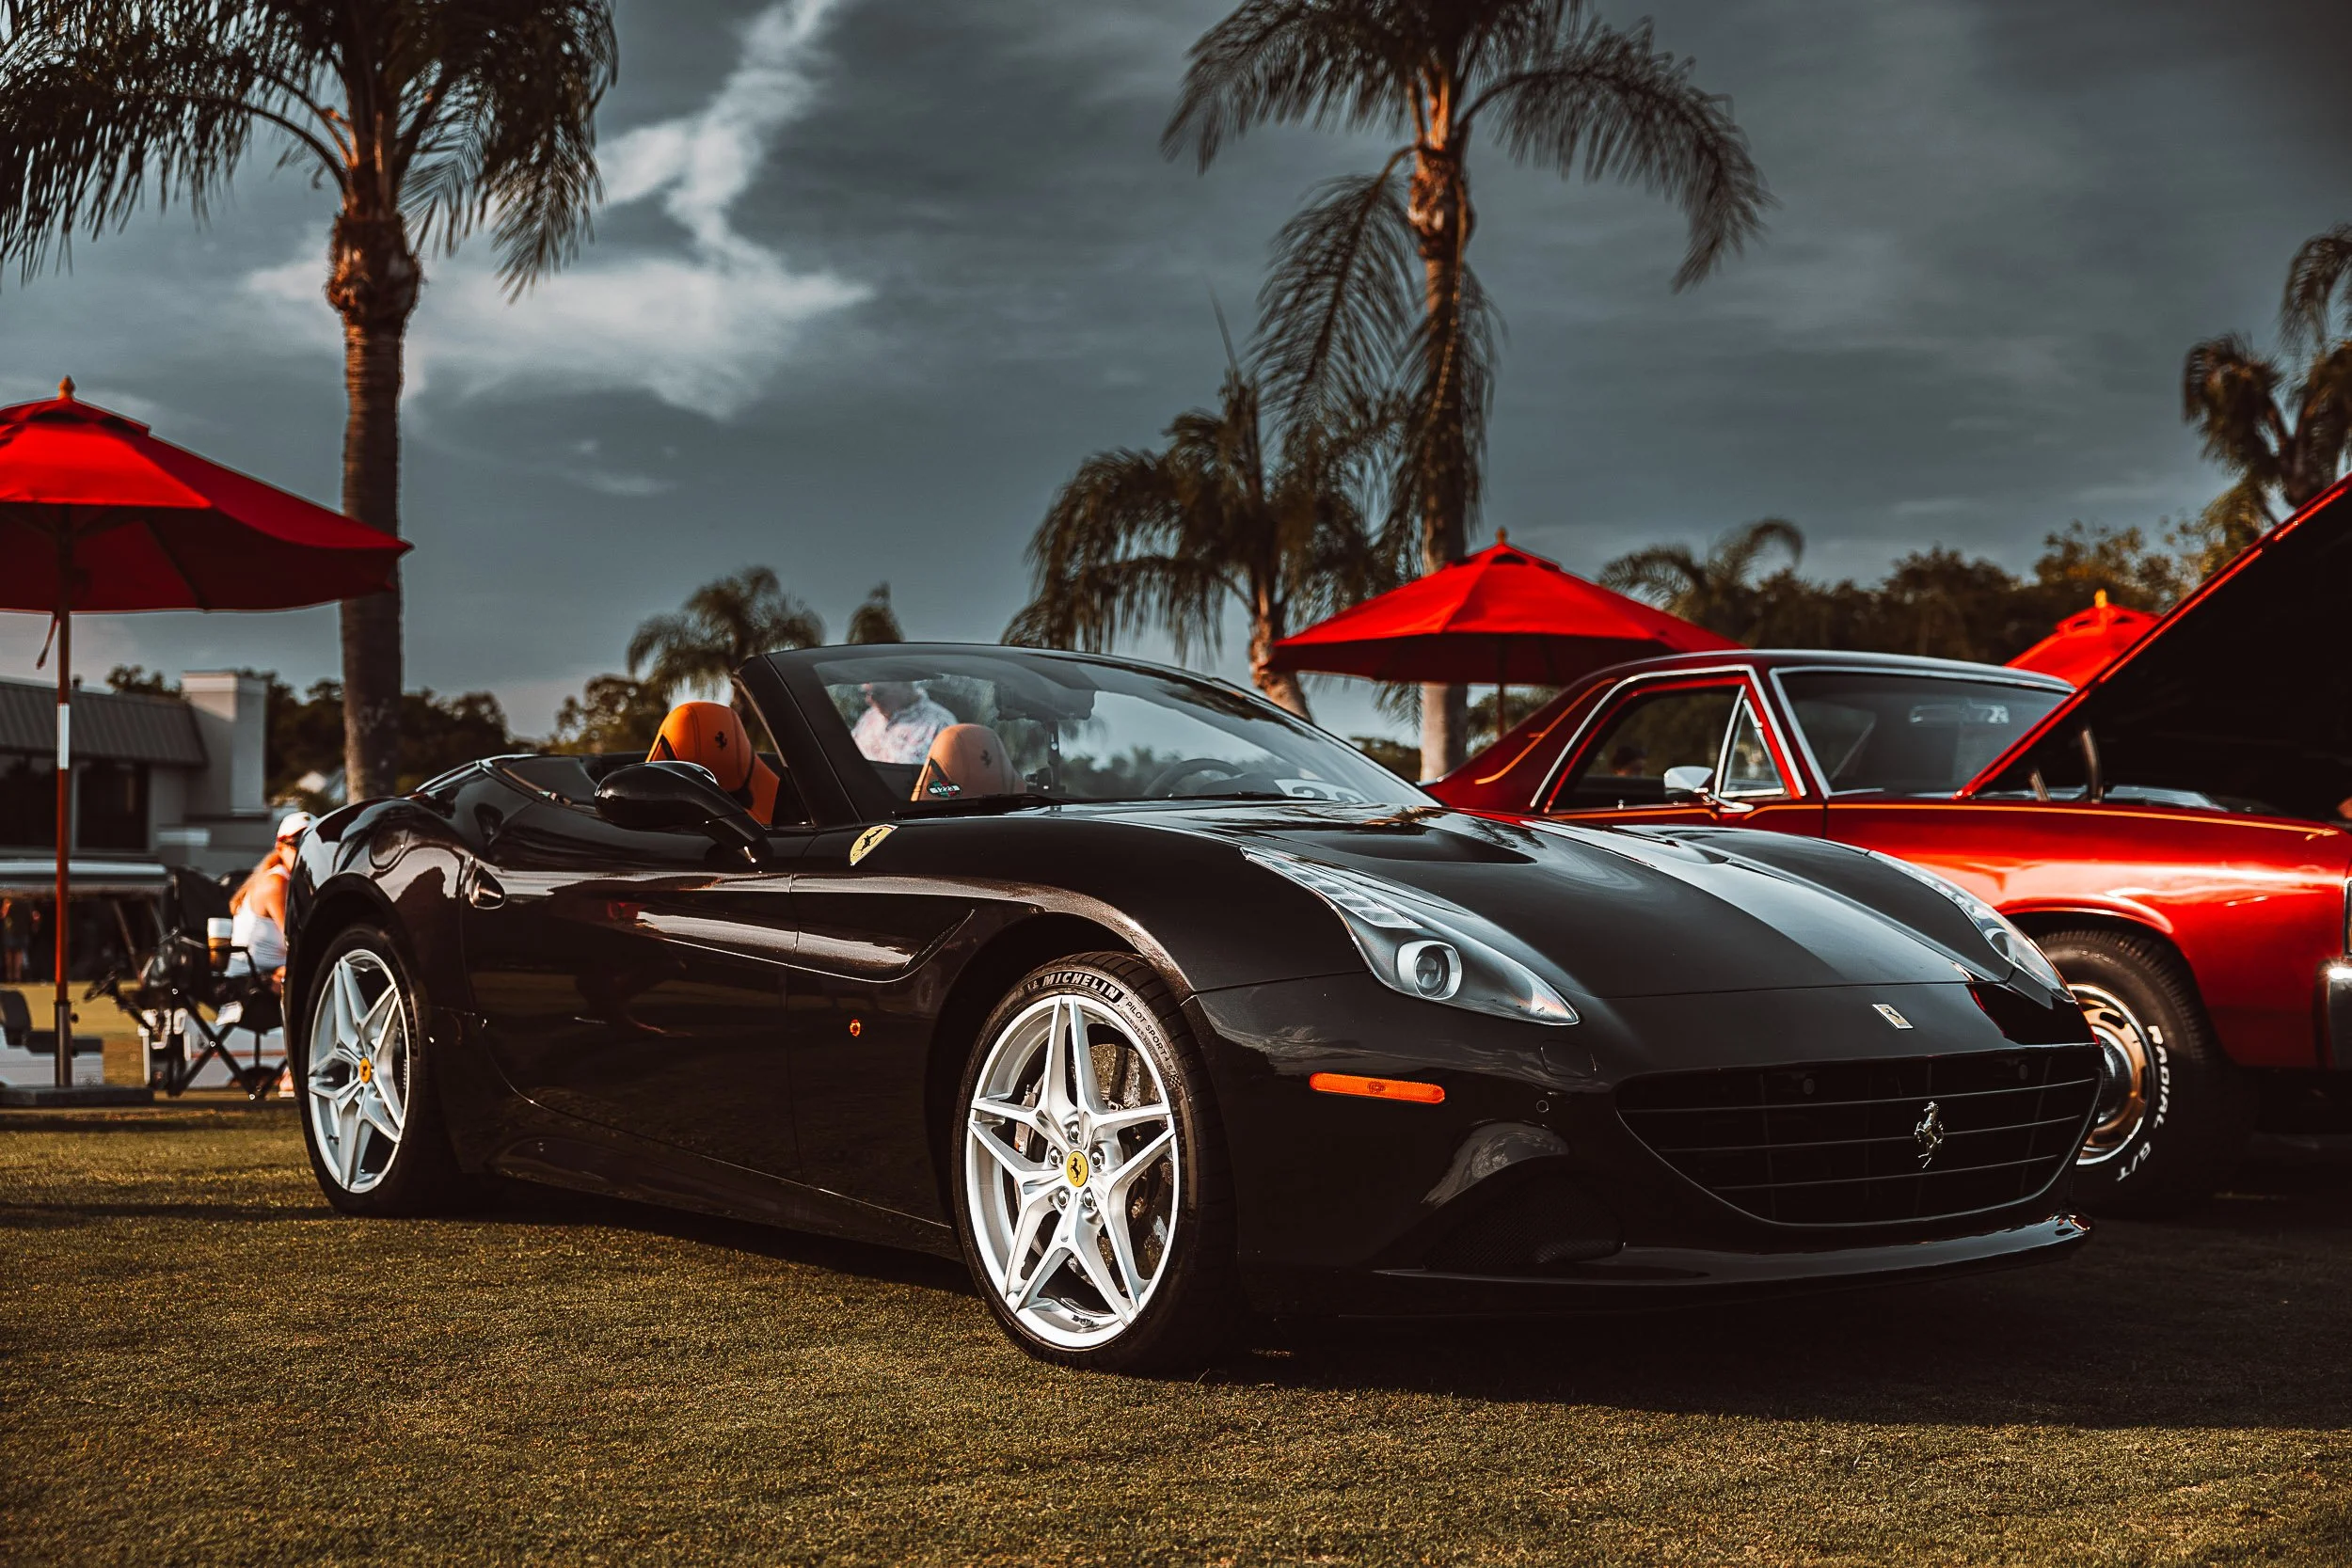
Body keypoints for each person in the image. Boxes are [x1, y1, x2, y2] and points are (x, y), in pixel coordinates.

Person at [850, 680, 955, 765]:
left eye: (877, 693)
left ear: (905, 684)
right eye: (865, 693)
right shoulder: (869, 717)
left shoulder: (940, 724)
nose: (869, 700)